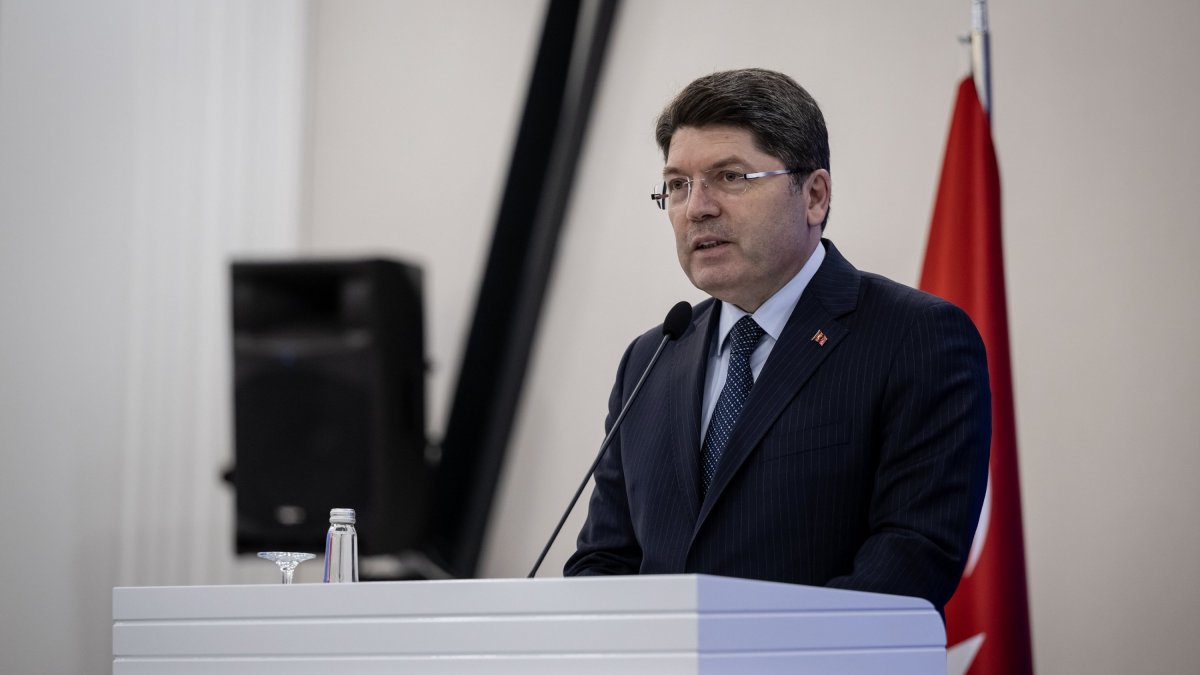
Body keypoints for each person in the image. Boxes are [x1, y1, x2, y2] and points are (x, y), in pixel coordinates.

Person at [563, 68, 990, 614]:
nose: (697, 208)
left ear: (814, 195)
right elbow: (605, 560)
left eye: (732, 177)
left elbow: (910, 558)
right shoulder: (651, 358)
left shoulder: (916, 337)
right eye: (677, 185)